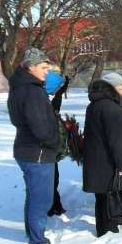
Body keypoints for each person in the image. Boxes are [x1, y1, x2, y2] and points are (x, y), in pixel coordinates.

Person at [7, 47, 60, 244]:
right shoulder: (32, 90)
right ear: (30, 67)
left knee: (33, 194)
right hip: (36, 152)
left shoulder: (19, 87)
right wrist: (53, 142)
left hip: (25, 148)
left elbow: (17, 119)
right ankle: (38, 239)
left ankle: (33, 233)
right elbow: (40, 126)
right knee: (41, 199)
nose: (47, 71)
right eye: (43, 67)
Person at [83, 72, 122, 237]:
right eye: (120, 87)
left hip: (96, 159)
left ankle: (104, 228)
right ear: (112, 88)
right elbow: (117, 141)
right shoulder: (112, 108)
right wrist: (121, 166)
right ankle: (109, 230)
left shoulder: (94, 105)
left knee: (102, 197)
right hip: (108, 161)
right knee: (109, 195)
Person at [45, 69, 69, 217]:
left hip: (50, 148)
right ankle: (51, 206)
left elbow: (56, 105)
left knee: (54, 177)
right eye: (57, 87)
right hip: (44, 149)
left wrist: (61, 91)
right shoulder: (40, 102)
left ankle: (55, 204)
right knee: (50, 179)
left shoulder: (47, 100)